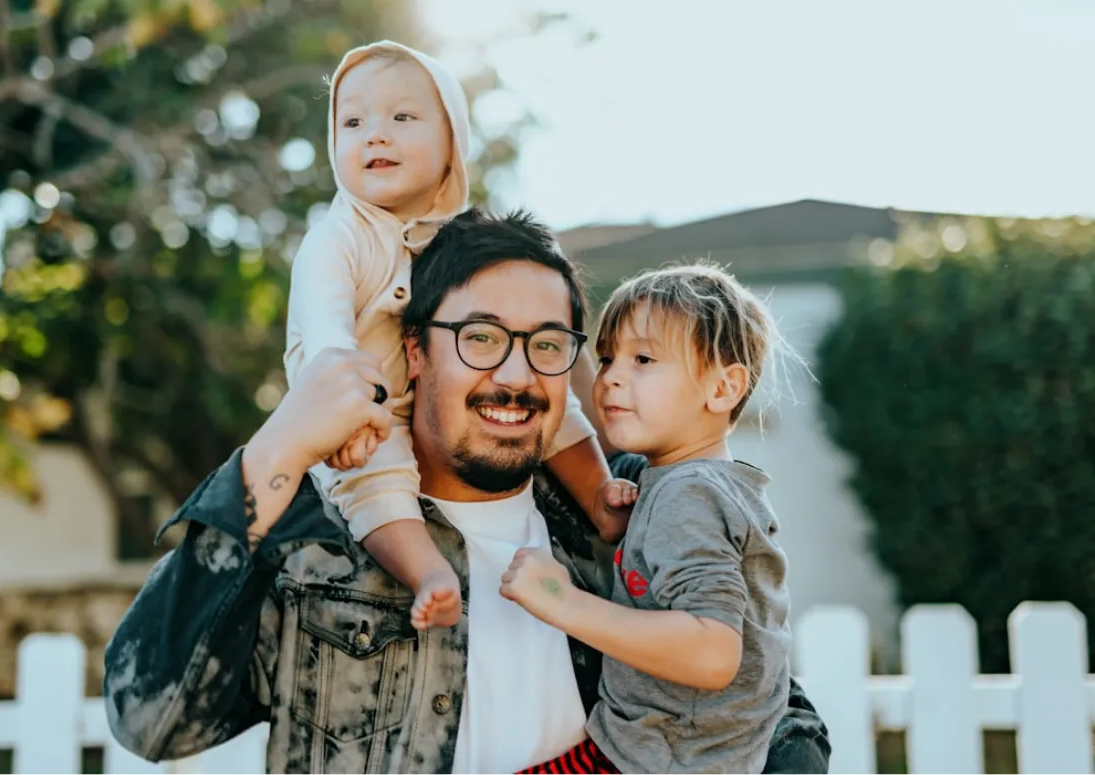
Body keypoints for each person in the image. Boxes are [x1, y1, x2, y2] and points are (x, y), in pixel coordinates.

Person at [103, 209, 831, 773]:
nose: (515, 375)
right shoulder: (313, 534)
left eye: (547, 344)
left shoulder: (618, 511)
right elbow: (151, 716)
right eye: (481, 337)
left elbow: (768, 700)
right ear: (415, 351)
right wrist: (279, 445)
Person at [283, 40, 630, 632]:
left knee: (553, 399)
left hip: (424, 400)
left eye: (402, 117)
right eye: (354, 121)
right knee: (376, 483)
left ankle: (600, 496)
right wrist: (344, 415)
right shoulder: (339, 237)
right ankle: (428, 572)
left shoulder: (462, 244)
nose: (376, 135)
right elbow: (326, 334)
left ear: (453, 146)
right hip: (356, 409)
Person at [502, 263, 799, 773]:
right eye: (606, 357)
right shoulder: (699, 484)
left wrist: (560, 601)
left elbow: (712, 652)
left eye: (643, 358)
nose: (612, 375)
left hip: (656, 758)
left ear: (723, 388)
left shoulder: (688, 494)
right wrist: (630, 527)